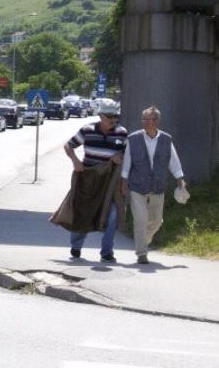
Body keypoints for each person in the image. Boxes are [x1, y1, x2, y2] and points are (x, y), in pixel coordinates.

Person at [119, 106, 186, 265]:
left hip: (157, 185)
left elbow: (174, 162)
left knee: (156, 221)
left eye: (150, 119)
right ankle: (142, 253)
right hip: (137, 186)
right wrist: (124, 182)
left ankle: (144, 239)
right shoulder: (133, 139)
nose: (146, 122)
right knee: (140, 220)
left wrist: (180, 180)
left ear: (157, 121)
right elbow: (127, 163)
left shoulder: (166, 139)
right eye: (144, 119)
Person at [63, 101, 128, 262]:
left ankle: (107, 252)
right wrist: (75, 161)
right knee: (83, 212)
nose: (113, 120)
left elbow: (128, 155)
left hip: (110, 181)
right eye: (110, 117)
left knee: (112, 214)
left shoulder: (122, 133)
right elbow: (68, 146)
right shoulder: (87, 130)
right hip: (89, 179)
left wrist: (120, 158)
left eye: (116, 116)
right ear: (100, 116)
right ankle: (76, 247)